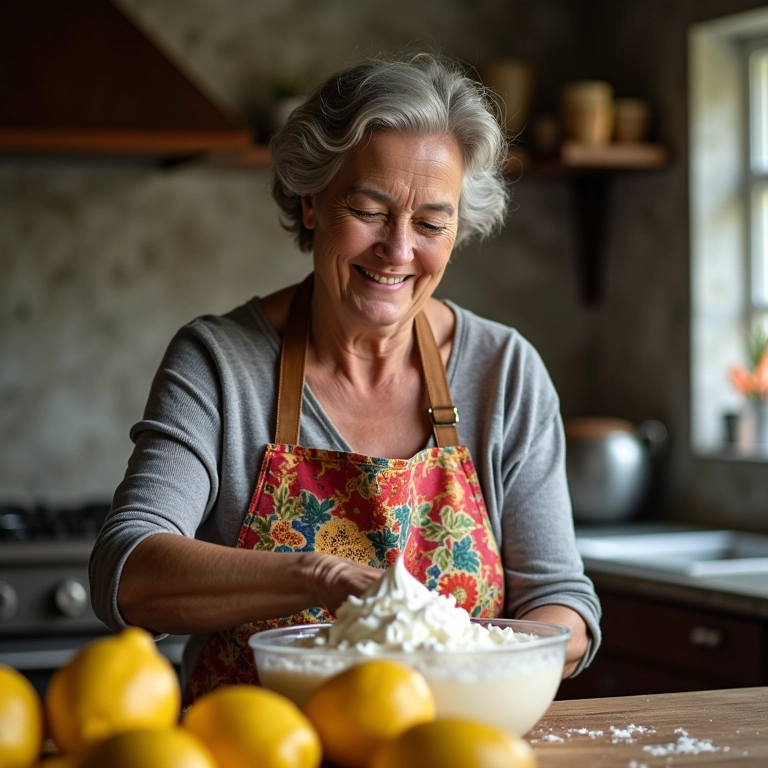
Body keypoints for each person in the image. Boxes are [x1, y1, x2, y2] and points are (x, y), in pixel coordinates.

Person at [89, 52, 601, 704]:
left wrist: (475, 660)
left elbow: (562, 605)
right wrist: (318, 576)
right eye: (369, 210)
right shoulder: (220, 363)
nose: (398, 249)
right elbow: (126, 571)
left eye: (431, 223)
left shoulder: (504, 370)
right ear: (311, 202)